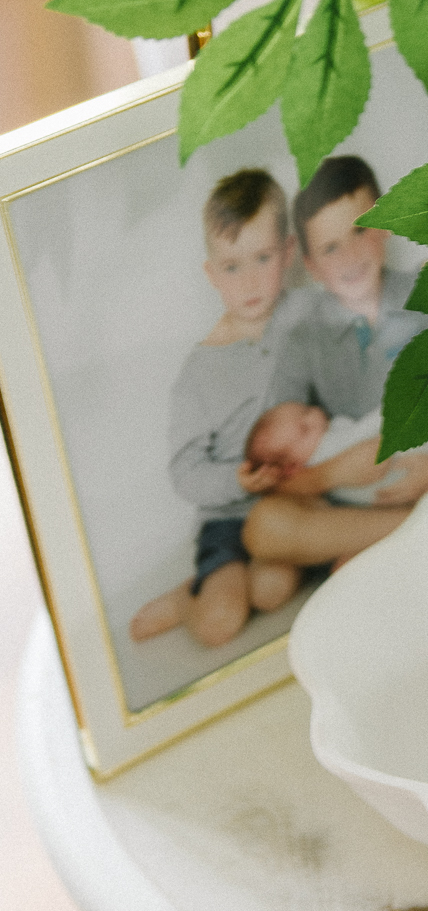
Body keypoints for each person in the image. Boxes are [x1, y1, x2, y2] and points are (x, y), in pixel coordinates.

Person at [129, 170, 307, 648]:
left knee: (274, 589)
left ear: (287, 254)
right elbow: (185, 472)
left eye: (262, 258)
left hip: (290, 500)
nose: (249, 281)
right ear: (212, 274)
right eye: (232, 267)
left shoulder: (305, 320)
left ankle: (248, 578)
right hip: (227, 517)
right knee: (219, 624)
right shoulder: (199, 373)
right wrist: (236, 480)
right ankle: (190, 598)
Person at [264, 154, 428, 420]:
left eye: (360, 231)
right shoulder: (301, 343)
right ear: (311, 266)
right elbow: (284, 438)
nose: (350, 257)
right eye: (330, 248)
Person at [240, 402, 428, 564]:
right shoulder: (323, 453)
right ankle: (426, 522)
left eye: (307, 410)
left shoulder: (333, 434)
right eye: (304, 429)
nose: (315, 415)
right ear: (291, 468)